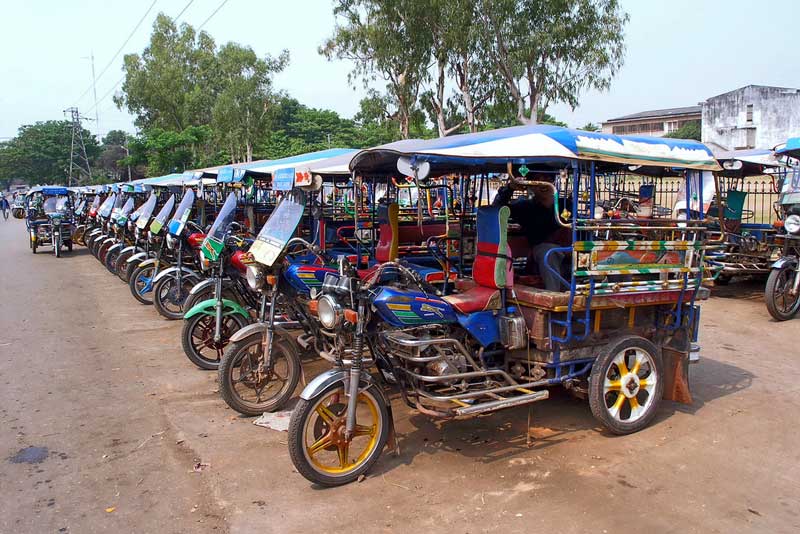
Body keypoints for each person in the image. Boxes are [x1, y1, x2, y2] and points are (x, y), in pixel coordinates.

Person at [493, 179, 570, 291]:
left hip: (570, 250)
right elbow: (497, 209)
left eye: (545, 178)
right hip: (544, 251)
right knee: (547, 251)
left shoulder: (566, 204)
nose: (543, 184)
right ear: (531, 186)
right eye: (537, 180)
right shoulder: (525, 207)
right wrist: (509, 189)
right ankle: (553, 295)